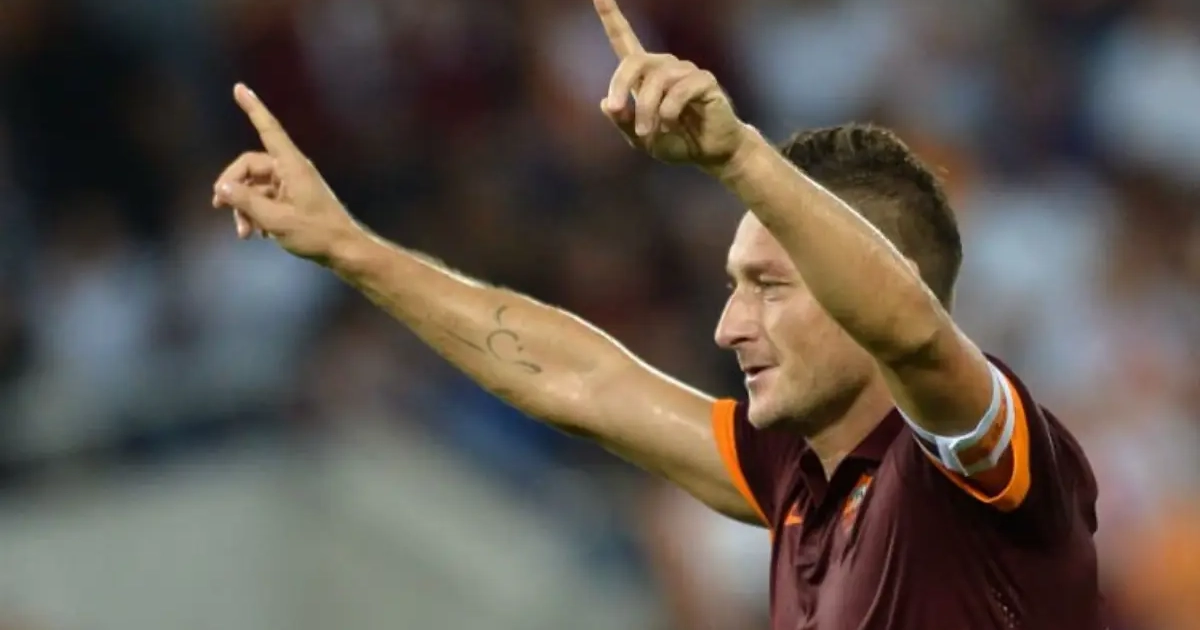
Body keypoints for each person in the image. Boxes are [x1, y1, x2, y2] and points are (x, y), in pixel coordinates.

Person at [211, 0, 1106, 627]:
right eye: (733, 287)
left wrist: (738, 157)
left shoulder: (982, 468)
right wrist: (351, 248)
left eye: (770, 286)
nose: (729, 326)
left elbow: (912, 331)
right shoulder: (795, 478)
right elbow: (584, 380)